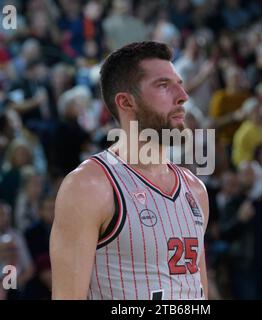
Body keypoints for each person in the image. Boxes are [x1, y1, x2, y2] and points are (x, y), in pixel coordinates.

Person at [50, 41, 209, 300]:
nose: (183, 95)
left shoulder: (195, 189)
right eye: (164, 85)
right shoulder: (89, 186)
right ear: (126, 102)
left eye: (179, 83)